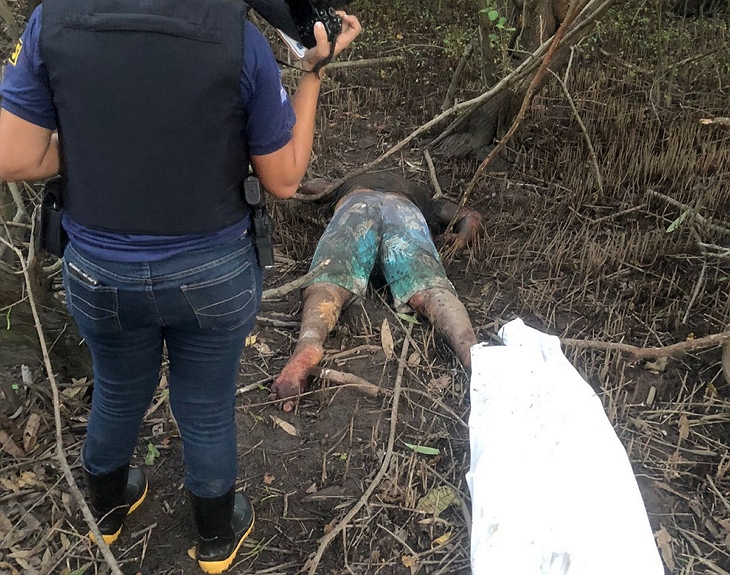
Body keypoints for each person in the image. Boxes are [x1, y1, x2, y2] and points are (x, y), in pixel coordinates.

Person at [0, 0, 360, 571]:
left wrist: (103, 146)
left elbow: (14, 156)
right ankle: (215, 538)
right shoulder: (237, 36)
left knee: (117, 389)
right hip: (213, 272)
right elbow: (285, 177)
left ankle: (107, 514)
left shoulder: (53, 20)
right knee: (207, 404)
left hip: (99, 271)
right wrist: (312, 72)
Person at [271, 171, 481, 412]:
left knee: (329, 282)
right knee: (432, 291)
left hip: (357, 204)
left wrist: (302, 188)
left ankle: (309, 341)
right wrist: (461, 238)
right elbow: (470, 216)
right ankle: (471, 352)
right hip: (404, 211)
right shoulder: (421, 196)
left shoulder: (352, 181)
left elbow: (314, 187)